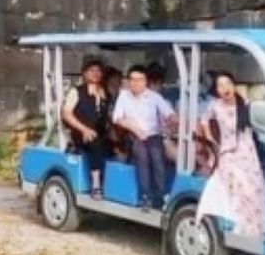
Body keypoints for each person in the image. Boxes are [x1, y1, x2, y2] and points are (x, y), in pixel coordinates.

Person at [195, 72, 265, 238]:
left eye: (227, 84)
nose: (225, 88)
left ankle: (256, 226)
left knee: (254, 188)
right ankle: (238, 223)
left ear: (234, 85)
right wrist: (209, 138)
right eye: (220, 85)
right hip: (227, 152)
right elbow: (203, 120)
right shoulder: (215, 105)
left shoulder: (245, 104)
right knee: (235, 181)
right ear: (217, 90)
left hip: (247, 152)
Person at [113, 64, 178, 209]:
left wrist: (175, 121)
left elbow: (169, 114)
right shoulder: (124, 95)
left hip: (153, 135)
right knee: (142, 153)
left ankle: (161, 196)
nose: (136, 83)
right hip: (130, 135)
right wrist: (136, 130)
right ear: (128, 81)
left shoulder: (154, 97)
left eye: (140, 80)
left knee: (157, 156)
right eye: (133, 79)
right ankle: (145, 195)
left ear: (145, 81)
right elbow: (117, 118)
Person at [61, 56, 111, 199]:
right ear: (84, 73)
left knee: (115, 145)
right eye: (91, 70)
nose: (95, 73)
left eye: (98, 70)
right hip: (80, 133)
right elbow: (66, 114)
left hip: (100, 132)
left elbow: (108, 117)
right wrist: (84, 129)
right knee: (95, 141)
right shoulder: (76, 91)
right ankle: (96, 185)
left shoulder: (106, 93)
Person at [104, 66, 129, 161]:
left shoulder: (121, 96)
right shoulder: (104, 97)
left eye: (119, 82)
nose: (118, 85)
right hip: (107, 131)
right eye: (113, 84)